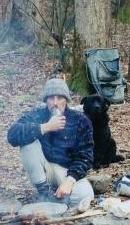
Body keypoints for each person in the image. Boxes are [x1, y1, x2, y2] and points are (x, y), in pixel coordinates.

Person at [7, 78, 95, 207]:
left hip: (66, 171)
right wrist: (45, 127)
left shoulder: (80, 120)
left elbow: (86, 156)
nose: (55, 103)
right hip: (42, 170)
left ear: (66, 100)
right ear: (45, 100)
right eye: (51, 98)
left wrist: (70, 181)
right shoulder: (37, 115)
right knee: (27, 142)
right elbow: (12, 135)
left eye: (60, 98)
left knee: (84, 195)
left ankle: (61, 194)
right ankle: (44, 193)